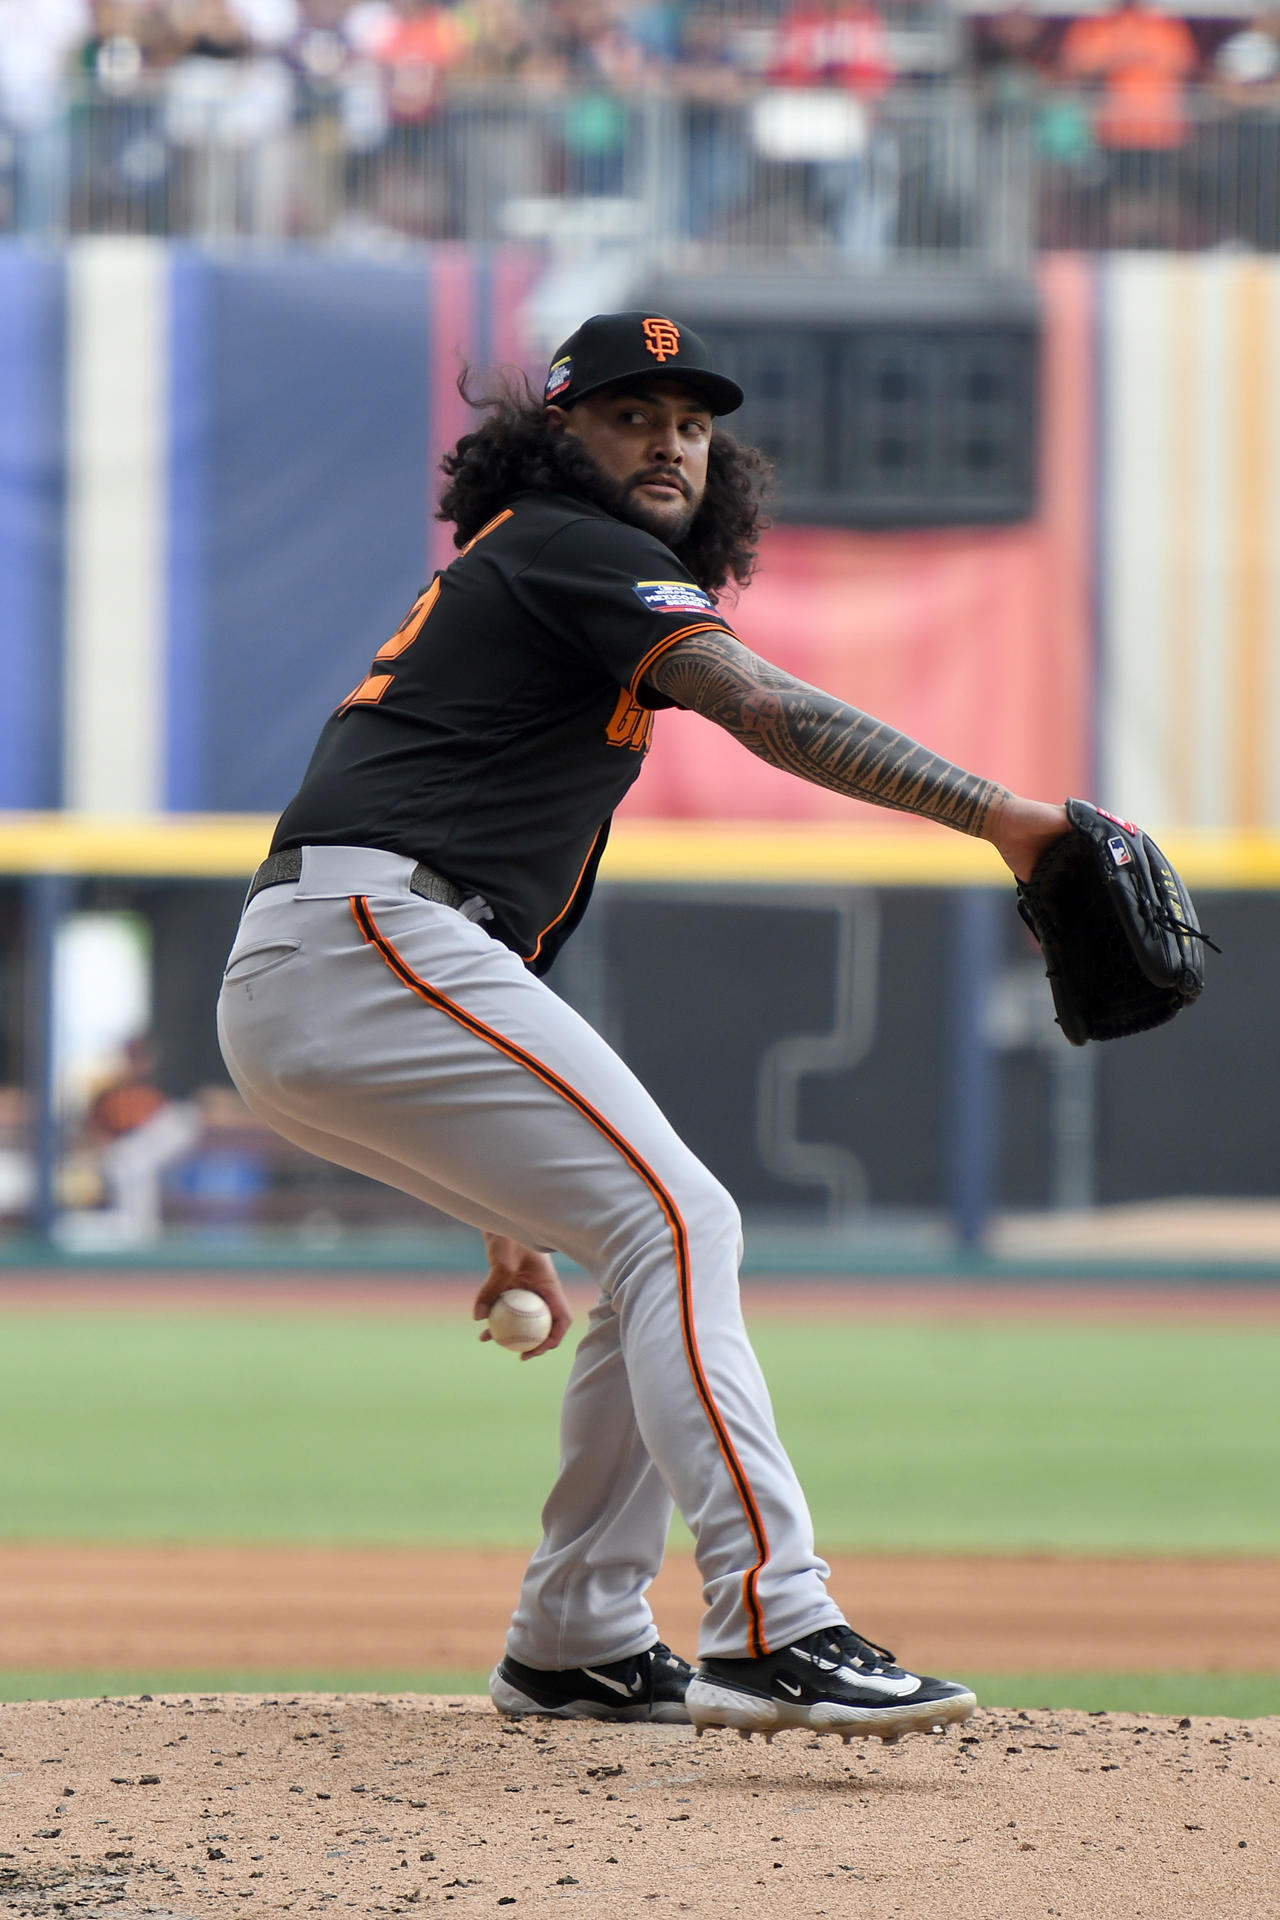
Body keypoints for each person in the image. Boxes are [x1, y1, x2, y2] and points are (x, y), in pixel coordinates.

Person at [217, 311, 1067, 1742]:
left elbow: (475, 908)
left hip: (346, 960)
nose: (668, 437)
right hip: (365, 940)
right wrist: (1009, 819)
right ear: (555, 441)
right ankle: (772, 1619)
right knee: (685, 1220)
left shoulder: (543, 588)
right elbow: (760, 700)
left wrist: (501, 1210)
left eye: (690, 419)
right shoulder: (567, 541)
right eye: (626, 412)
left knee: (644, 1237)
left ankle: (579, 1640)